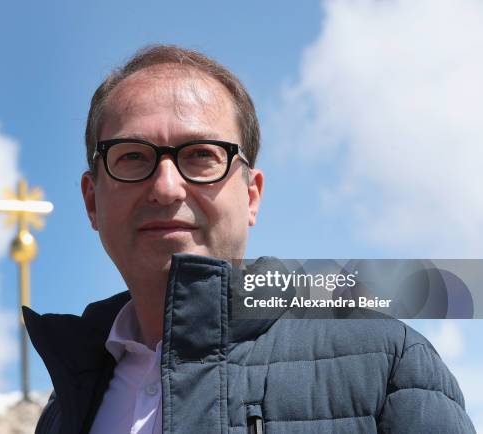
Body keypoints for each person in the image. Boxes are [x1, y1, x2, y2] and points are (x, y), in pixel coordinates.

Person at [23, 45, 475, 434]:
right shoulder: (65, 408)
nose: (165, 187)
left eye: (201, 155)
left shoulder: (387, 362)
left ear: (252, 195)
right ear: (92, 201)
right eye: (133, 155)